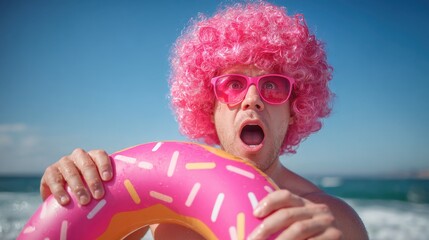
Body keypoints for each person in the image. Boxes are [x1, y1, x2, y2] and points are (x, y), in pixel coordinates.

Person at [40, 1, 368, 239]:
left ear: (295, 108)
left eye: (272, 85)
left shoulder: (332, 221)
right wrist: (73, 196)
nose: (252, 99)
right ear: (209, 106)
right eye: (233, 85)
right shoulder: (158, 199)